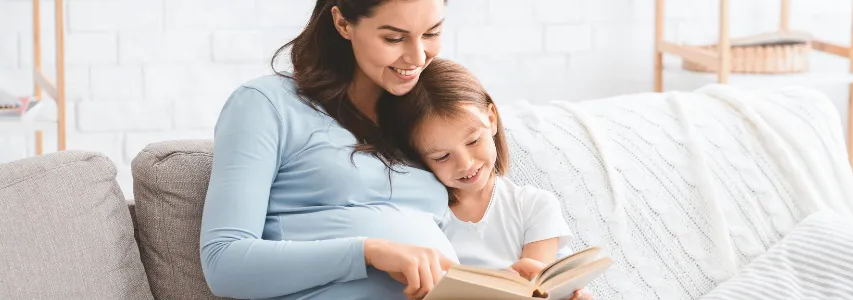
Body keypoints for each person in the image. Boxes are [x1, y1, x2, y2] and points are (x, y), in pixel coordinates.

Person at [199, 1, 457, 300]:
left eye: (431, 33)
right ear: (343, 24)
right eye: (393, 38)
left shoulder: (421, 120)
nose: (417, 56)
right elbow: (223, 265)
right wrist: (367, 253)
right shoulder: (266, 105)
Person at [376, 58, 593, 300]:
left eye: (473, 141)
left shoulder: (534, 205)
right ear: (418, 158)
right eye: (442, 156)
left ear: (491, 118)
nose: (465, 164)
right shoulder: (425, 218)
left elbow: (536, 286)